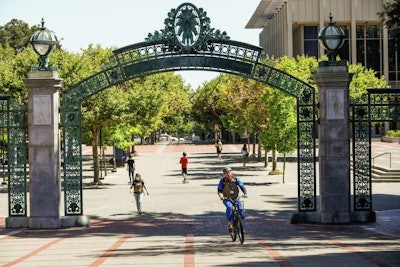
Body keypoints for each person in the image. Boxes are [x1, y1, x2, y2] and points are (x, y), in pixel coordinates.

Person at [217, 167, 247, 232]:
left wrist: (245, 193)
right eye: (226, 173)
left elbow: (242, 186)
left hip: (236, 198)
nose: (228, 174)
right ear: (224, 174)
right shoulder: (222, 181)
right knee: (230, 208)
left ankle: (241, 225)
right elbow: (219, 190)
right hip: (227, 198)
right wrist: (221, 196)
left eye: (229, 172)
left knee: (241, 210)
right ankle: (230, 224)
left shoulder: (236, 179)